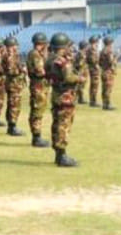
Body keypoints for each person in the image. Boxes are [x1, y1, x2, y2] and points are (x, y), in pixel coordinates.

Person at [45, 33, 84, 167]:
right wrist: (79, 78)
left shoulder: (50, 59)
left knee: (57, 123)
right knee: (63, 125)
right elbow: (68, 77)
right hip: (65, 96)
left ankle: (58, 154)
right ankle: (62, 156)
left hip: (57, 94)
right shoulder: (62, 61)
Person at [4, 36, 32, 139]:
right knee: (14, 105)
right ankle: (12, 126)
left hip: (14, 84)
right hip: (14, 84)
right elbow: (12, 71)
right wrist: (21, 70)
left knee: (12, 105)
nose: (17, 47)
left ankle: (11, 125)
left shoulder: (10, 55)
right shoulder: (10, 56)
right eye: (15, 45)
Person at [27, 33, 51, 147]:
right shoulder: (35, 54)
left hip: (41, 85)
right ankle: (36, 137)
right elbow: (40, 70)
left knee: (39, 110)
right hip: (38, 86)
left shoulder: (38, 54)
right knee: (37, 111)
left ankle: (37, 136)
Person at [99, 36, 117, 111]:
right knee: (108, 89)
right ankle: (107, 104)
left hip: (103, 71)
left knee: (104, 88)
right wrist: (115, 59)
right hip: (108, 72)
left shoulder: (102, 51)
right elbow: (111, 61)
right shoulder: (109, 51)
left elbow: (99, 62)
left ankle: (104, 104)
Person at [86, 35, 100, 107]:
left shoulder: (89, 48)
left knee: (93, 85)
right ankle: (93, 101)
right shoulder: (92, 49)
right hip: (94, 69)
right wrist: (98, 61)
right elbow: (94, 60)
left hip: (92, 68)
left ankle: (92, 100)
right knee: (94, 85)